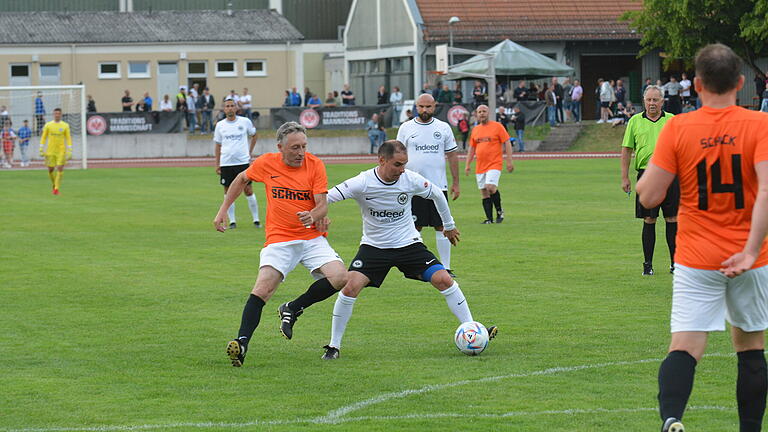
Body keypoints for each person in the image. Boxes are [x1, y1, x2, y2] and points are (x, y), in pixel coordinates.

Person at [636, 43, 768, 432]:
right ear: (741, 84)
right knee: (750, 349)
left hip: (695, 258)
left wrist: (657, 168)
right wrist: (748, 251)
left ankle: (672, 418)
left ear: (695, 84)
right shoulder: (759, 125)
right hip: (751, 257)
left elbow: (649, 195)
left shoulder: (678, 127)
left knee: (685, 347)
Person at [319, 140, 497, 360]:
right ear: (381, 160)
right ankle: (333, 346)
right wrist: (321, 215)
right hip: (374, 247)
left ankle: (471, 328)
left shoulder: (409, 179)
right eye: (397, 164)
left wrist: (449, 226)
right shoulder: (362, 182)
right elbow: (326, 197)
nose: (402, 170)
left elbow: (437, 195)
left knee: (444, 279)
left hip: (409, 244)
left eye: (404, 164)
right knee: (350, 287)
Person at [215, 121, 347, 367]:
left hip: (311, 238)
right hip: (280, 239)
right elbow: (241, 178)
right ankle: (241, 343)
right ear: (280, 147)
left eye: (304, 146)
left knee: (341, 277)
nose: (300, 153)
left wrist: (315, 216)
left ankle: (293, 308)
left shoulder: (315, 165)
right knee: (262, 290)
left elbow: (323, 205)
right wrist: (224, 209)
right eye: (295, 147)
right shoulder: (267, 163)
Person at [397, 94, 460, 274]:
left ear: (435, 106)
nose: (425, 110)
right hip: (412, 187)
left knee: (442, 226)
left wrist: (456, 182)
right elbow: (398, 155)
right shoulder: (406, 128)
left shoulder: (443, 128)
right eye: (421, 106)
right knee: (414, 227)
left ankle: (446, 267)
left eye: (428, 107)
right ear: (416, 106)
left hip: (438, 186)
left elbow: (452, 156)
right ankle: (418, 267)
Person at [621, 85, 677, 276]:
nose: (652, 103)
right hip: (646, 175)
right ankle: (648, 265)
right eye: (649, 100)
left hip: (670, 174)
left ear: (662, 101)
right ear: (643, 101)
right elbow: (627, 150)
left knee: (672, 218)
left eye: (656, 100)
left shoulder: (672, 121)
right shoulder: (635, 121)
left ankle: (675, 264)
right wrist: (624, 177)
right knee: (649, 219)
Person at [214, 99, 262, 230]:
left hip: (242, 162)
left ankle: (256, 219)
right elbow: (218, 145)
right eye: (227, 106)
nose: (229, 108)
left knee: (248, 190)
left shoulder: (244, 122)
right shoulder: (220, 125)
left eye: (232, 106)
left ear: (236, 108)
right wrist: (217, 163)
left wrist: (249, 152)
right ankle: (232, 221)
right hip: (226, 163)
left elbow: (254, 135)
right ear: (224, 109)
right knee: (228, 191)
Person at [465, 104, 514, 224]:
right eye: (479, 111)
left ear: (489, 113)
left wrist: (509, 160)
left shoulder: (497, 127)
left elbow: (507, 142)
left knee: (490, 187)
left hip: (494, 164)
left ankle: (499, 211)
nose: (482, 113)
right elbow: (472, 148)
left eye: (484, 111)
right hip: (480, 165)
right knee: (484, 191)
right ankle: (489, 219)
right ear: (476, 114)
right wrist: (467, 164)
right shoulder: (476, 129)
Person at [39, 108, 72, 195]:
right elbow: (43, 137)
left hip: (61, 151)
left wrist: (70, 150)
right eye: (55, 113)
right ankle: (54, 184)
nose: (57, 115)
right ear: (53, 114)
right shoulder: (48, 125)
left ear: (61, 115)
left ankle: (56, 189)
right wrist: (41, 148)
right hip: (50, 150)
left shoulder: (65, 125)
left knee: (60, 168)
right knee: (50, 170)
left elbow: (68, 138)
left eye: (59, 113)